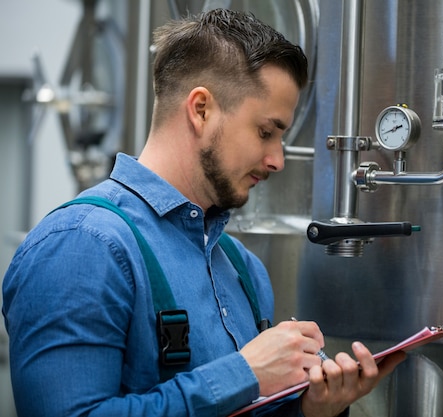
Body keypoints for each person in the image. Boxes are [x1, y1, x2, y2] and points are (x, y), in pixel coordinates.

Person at [2, 8, 406, 417]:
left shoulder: (242, 268)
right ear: (201, 110)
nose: (277, 160)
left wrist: (311, 409)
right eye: (266, 132)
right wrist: (245, 372)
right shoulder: (81, 244)